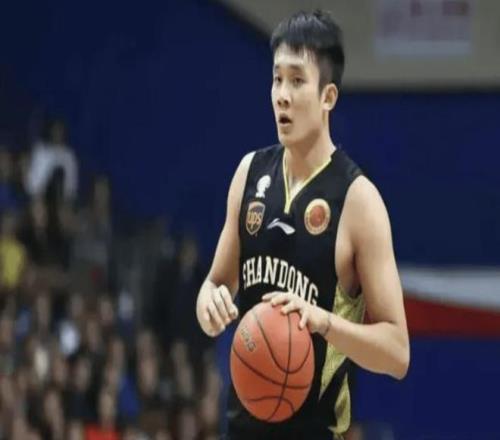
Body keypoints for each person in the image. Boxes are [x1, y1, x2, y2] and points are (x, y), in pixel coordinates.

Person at [196, 10, 409, 440]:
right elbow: (215, 284)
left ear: (328, 96)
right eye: (277, 79)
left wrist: (323, 322)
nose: (282, 95)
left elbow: (397, 353)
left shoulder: (359, 201)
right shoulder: (249, 174)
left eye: (296, 80)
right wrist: (209, 304)